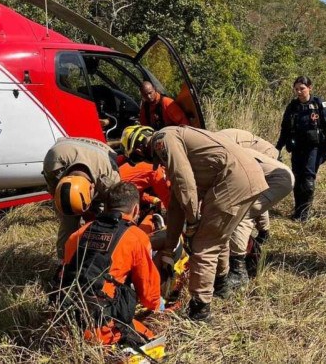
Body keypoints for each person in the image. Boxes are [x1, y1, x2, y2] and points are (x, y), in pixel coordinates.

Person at [120, 125, 268, 321]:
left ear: (139, 149)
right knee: (217, 235)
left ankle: (200, 310)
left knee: (203, 245)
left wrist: (192, 223)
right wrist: (168, 252)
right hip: (246, 174)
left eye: (138, 158)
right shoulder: (175, 139)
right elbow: (175, 204)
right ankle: (221, 284)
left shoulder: (163, 141)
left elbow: (184, 182)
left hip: (233, 178)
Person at [55, 182, 161, 346]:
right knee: (155, 344)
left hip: (64, 321)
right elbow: (149, 295)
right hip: (102, 327)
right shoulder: (136, 237)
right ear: (135, 210)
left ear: (106, 207)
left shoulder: (78, 234)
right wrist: (158, 306)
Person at [217, 129, 294, 286]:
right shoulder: (216, 144)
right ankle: (261, 236)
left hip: (271, 167)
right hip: (263, 167)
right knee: (249, 205)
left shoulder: (220, 148)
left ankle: (239, 270)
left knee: (242, 213)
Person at [43, 137, 121, 259]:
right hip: (63, 150)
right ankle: (63, 262)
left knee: (102, 225)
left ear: (92, 188)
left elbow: (112, 213)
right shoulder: (52, 163)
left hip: (101, 154)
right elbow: (53, 190)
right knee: (68, 223)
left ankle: (96, 257)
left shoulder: (111, 179)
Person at [276, 76, 326, 222]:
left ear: (310, 88)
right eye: (296, 89)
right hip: (297, 147)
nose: (299, 92)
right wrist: (278, 147)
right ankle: (298, 212)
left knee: (308, 179)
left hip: (314, 147)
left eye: (302, 88)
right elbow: (284, 129)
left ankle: (304, 214)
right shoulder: (293, 106)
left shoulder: (319, 104)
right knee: (297, 178)